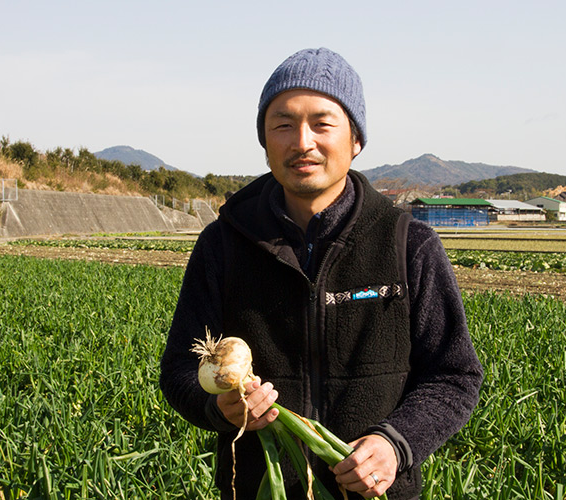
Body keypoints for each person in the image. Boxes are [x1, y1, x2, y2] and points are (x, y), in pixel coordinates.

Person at [160, 47, 483, 500]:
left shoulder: (407, 244)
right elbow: (179, 369)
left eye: (322, 123)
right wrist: (219, 408)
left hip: (375, 493)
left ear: (355, 140)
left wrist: (395, 444)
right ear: (265, 140)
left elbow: (454, 375)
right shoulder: (223, 246)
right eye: (284, 124)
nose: (302, 142)